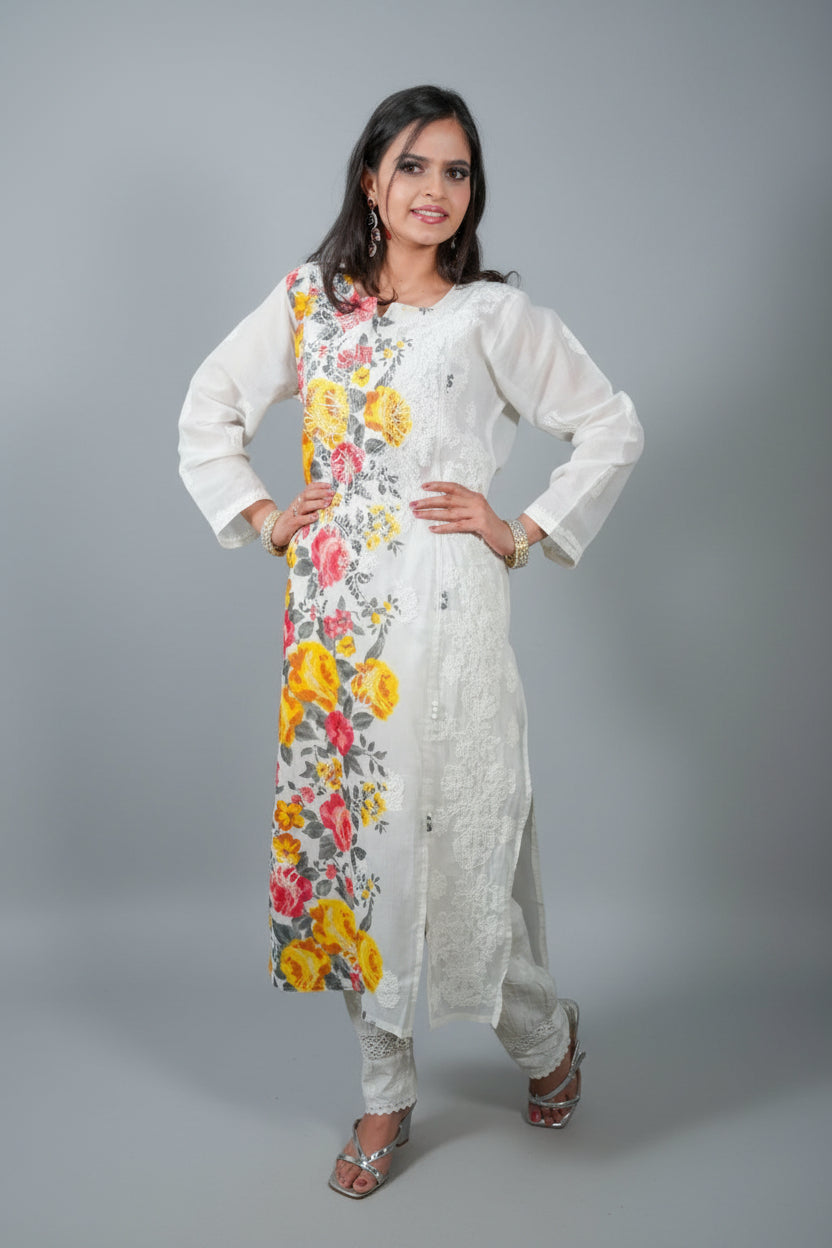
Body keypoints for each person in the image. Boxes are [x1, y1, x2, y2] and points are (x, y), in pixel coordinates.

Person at [177, 84, 643, 1198]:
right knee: (355, 861)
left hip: (449, 607)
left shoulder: (490, 316)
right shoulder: (311, 303)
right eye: (415, 167)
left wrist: (519, 528)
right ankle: (384, 1096)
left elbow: (608, 424)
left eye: (458, 171)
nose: (437, 190)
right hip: (336, 623)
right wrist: (264, 516)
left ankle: (543, 1039)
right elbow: (211, 405)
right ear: (370, 181)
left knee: (462, 849)